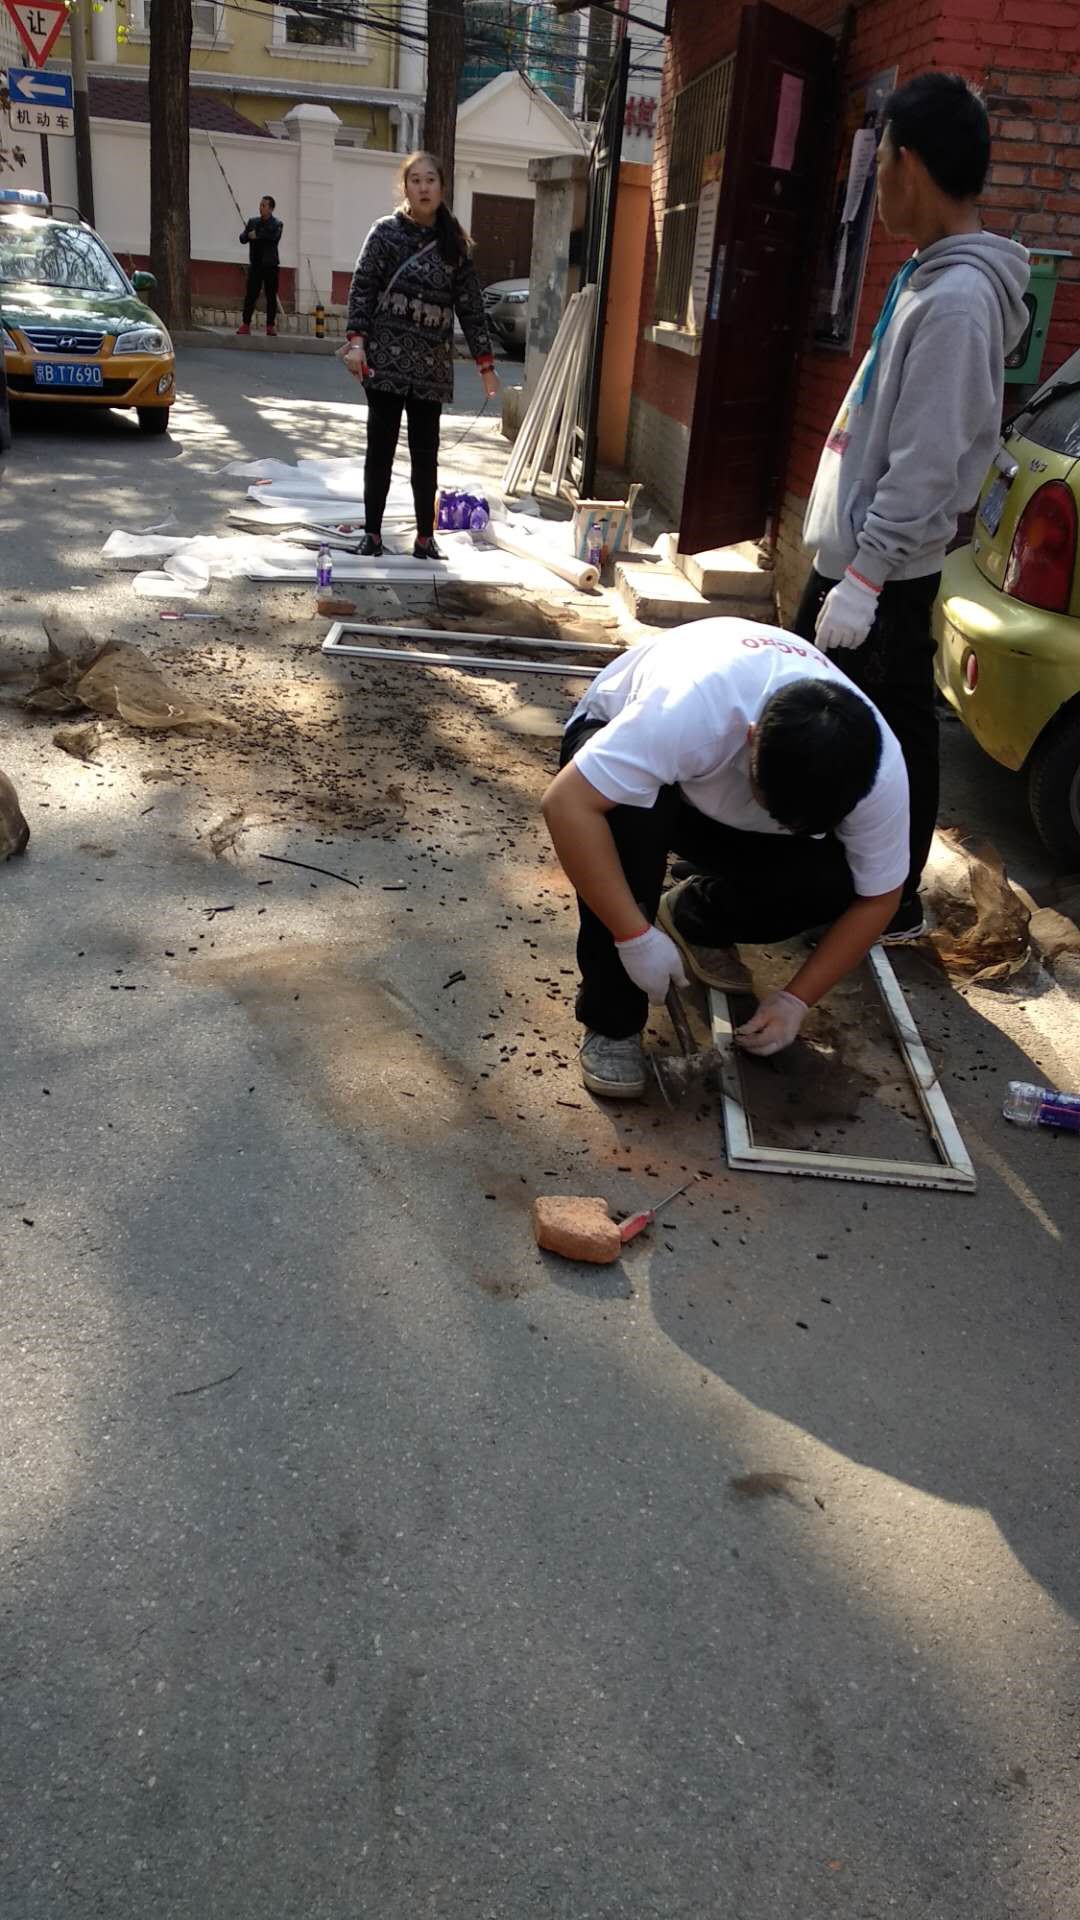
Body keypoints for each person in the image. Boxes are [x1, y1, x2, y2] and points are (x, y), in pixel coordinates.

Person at [796, 72, 1030, 943]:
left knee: (873, 736)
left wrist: (862, 581)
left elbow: (929, 461)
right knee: (882, 726)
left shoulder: (958, 301)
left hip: (880, 572)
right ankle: (868, 892)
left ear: (913, 165)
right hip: (866, 559)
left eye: (882, 157)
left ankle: (882, 901)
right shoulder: (930, 279)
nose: (877, 177)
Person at [541, 619, 910, 1101]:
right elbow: (567, 804)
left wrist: (796, 999)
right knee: (624, 822)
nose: (788, 826)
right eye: (777, 810)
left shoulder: (878, 772)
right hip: (650, 775)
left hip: (723, 803)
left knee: (834, 879)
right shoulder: (689, 711)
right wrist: (633, 936)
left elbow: (880, 897)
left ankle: (697, 916)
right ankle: (613, 1021)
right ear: (752, 738)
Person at [341, 151, 498, 560]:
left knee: (425, 457)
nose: (424, 187)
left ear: (442, 187)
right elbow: (363, 287)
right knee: (380, 452)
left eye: (431, 180)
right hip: (385, 363)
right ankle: (372, 535)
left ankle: (425, 539)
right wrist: (356, 343)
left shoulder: (455, 244)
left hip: (431, 367)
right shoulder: (385, 233)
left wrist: (485, 364)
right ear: (405, 187)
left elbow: (471, 306)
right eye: (416, 180)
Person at [237, 195, 283, 338]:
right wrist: (249, 236)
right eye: (260, 205)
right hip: (256, 264)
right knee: (251, 295)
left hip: (270, 265)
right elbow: (242, 238)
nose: (260, 208)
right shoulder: (253, 222)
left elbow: (273, 238)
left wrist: (256, 235)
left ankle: (270, 326)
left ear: (271, 209)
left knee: (271, 296)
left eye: (264, 205)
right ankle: (245, 324)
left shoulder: (277, 224)